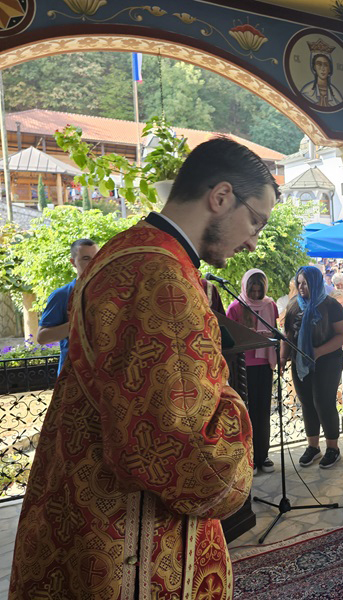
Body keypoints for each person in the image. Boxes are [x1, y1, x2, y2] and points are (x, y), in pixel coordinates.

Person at [11, 137, 277, 598]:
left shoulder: (129, 249)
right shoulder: (158, 274)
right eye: (255, 220)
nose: (254, 241)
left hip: (88, 501)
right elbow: (182, 452)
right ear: (221, 197)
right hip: (131, 530)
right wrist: (233, 409)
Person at [281, 266, 343, 469]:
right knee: (307, 402)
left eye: (306, 283)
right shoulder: (294, 305)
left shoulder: (330, 305)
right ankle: (313, 447)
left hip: (327, 362)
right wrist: (283, 356)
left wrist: (318, 352)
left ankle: (332, 448)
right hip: (301, 362)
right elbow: (288, 334)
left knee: (324, 402)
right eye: (299, 283)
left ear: (316, 283)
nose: (302, 287)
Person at [226, 269, 278, 476]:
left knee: (263, 411)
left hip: (264, 364)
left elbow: (275, 330)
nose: (256, 295)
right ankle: (248, 458)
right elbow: (231, 338)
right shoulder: (236, 307)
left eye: (259, 290)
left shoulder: (270, 305)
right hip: (243, 366)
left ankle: (263, 455)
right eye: (252, 290)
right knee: (245, 413)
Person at [36, 238, 98, 374]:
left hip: (104, 376)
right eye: (86, 258)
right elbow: (42, 337)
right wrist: (80, 321)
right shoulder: (62, 295)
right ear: (73, 262)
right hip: (72, 375)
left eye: (96, 257)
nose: (93, 263)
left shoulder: (109, 292)